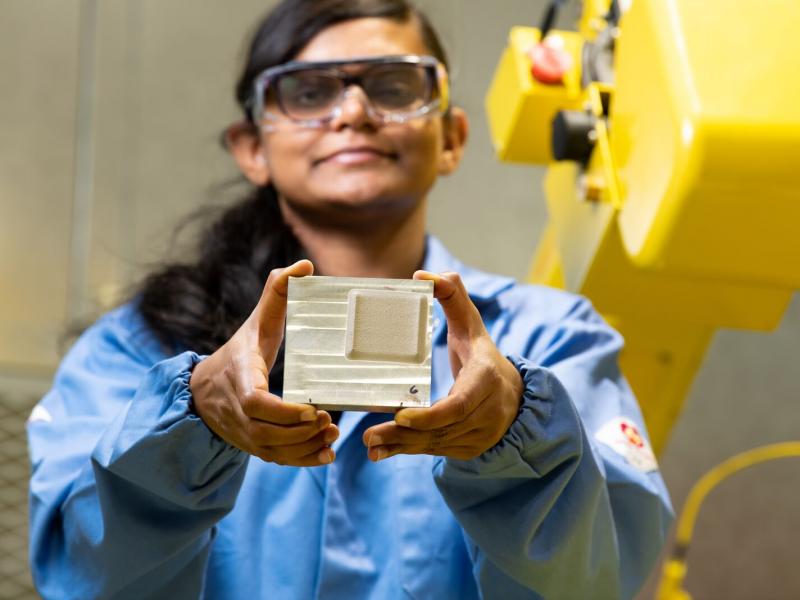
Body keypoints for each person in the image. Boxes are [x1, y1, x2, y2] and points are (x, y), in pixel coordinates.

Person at [27, 1, 672, 598]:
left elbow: (604, 579)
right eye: (309, 92)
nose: (354, 113)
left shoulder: (551, 340)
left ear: (452, 138)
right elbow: (81, 575)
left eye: (394, 87)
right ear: (252, 148)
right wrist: (191, 425)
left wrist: (516, 439)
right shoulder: (142, 345)